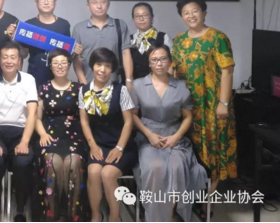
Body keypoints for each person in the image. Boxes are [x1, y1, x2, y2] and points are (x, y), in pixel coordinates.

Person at [172, 0, 236, 220]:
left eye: (195, 11)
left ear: (204, 12)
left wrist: (223, 103)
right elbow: (173, 72)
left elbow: (227, 71)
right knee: (191, 154)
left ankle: (208, 203)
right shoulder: (178, 41)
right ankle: (189, 200)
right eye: (186, 13)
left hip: (212, 106)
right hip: (188, 108)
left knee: (212, 154)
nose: (191, 15)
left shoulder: (218, 38)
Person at [131, 44, 207, 222]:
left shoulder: (180, 86)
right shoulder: (138, 85)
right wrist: (149, 135)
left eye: (163, 59)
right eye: (154, 60)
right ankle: (155, 216)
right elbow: (133, 115)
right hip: (148, 136)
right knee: (155, 168)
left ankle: (170, 213)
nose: (159, 63)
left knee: (177, 167)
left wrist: (176, 137)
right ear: (149, 63)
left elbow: (187, 117)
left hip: (174, 135)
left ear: (170, 61)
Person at [0, 41, 38, 222]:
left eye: (13, 57)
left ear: (20, 60)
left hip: (21, 132)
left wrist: (25, 142)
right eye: (5, 57)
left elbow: (32, 114)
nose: (9, 61)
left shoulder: (28, 79)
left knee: (23, 163)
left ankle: (20, 208)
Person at [79, 48, 137, 223]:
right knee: (93, 171)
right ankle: (96, 215)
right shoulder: (84, 90)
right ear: (92, 66)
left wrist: (119, 148)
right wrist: (92, 145)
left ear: (112, 69)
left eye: (107, 66)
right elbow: (84, 121)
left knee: (108, 174)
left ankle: (115, 217)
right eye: (98, 65)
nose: (102, 70)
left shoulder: (120, 90)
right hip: (97, 144)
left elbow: (129, 122)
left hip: (122, 145)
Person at [35, 48, 85, 222]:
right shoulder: (43, 88)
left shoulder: (79, 88)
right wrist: (42, 133)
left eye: (64, 63)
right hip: (50, 134)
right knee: (52, 161)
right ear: (50, 66)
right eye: (56, 63)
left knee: (74, 162)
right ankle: (51, 215)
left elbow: (85, 118)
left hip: (74, 135)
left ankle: (73, 215)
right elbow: (36, 118)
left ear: (69, 65)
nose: (60, 66)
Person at [6, 0, 80, 85]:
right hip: (35, 78)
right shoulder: (29, 25)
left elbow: (67, 55)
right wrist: (13, 38)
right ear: (36, 3)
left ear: (55, 2)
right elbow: (24, 54)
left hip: (58, 79)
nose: (46, 2)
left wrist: (75, 51)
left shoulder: (64, 24)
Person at [72, 0, 134, 89]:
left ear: (108, 4)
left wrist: (129, 80)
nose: (99, 6)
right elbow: (77, 59)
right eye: (95, 2)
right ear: (88, 6)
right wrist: (84, 84)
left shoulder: (120, 25)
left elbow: (126, 53)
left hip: (114, 84)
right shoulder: (79, 28)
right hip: (89, 83)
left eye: (103, 2)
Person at [130, 2, 172, 80]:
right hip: (134, 83)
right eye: (137, 16)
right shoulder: (129, 39)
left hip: (159, 82)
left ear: (152, 18)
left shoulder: (163, 37)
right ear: (133, 19)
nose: (141, 19)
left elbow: (171, 64)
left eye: (145, 15)